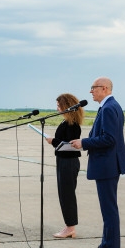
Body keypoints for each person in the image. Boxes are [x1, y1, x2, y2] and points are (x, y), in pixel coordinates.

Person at [70, 77, 125, 248]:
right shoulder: (108, 106)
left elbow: (109, 139)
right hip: (108, 164)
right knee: (107, 209)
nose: (91, 91)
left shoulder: (110, 108)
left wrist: (84, 143)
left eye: (93, 88)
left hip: (108, 165)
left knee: (109, 209)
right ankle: (106, 244)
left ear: (104, 88)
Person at [46, 93, 84, 239]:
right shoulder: (65, 122)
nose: (57, 108)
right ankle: (69, 226)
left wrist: (53, 141)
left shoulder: (72, 125)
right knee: (64, 194)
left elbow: (70, 145)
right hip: (62, 160)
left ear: (66, 106)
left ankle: (70, 228)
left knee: (67, 194)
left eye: (59, 105)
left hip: (69, 162)